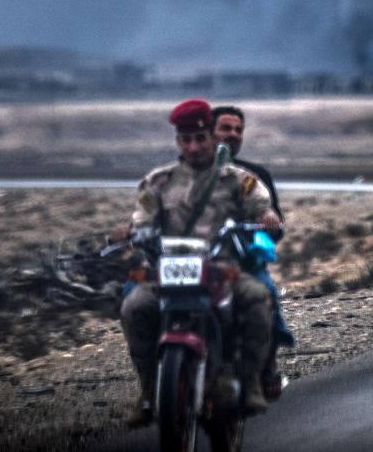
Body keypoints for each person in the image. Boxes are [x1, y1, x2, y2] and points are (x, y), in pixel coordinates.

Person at [109, 98, 282, 428]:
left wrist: (267, 217)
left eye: (200, 138)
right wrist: (128, 233)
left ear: (211, 139)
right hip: (170, 271)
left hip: (221, 271)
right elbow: (143, 219)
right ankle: (147, 391)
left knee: (259, 299)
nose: (194, 146)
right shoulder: (158, 182)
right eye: (186, 139)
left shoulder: (238, 180)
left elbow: (261, 206)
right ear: (178, 141)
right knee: (134, 307)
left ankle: (250, 383)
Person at [212, 105, 295, 397]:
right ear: (208, 132)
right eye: (226, 128)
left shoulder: (255, 176)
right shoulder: (184, 174)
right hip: (193, 261)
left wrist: (268, 224)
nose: (233, 135)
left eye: (238, 129)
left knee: (265, 294)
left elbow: (278, 227)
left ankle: (268, 364)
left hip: (242, 262)